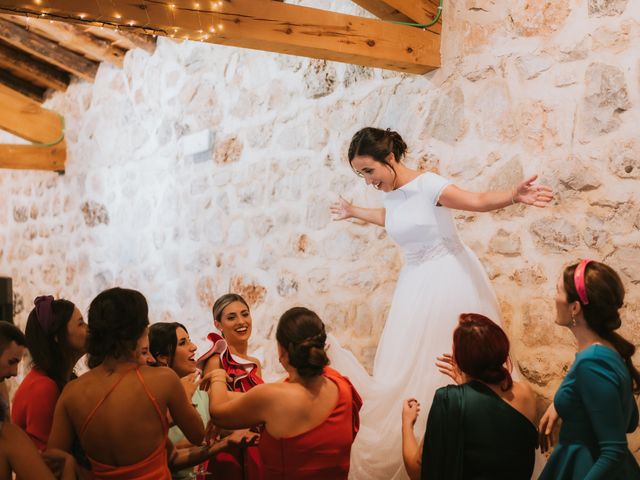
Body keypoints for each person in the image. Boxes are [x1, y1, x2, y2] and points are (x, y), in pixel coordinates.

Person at [327, 127, 552, 479]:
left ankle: (470, 450)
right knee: (406, 365)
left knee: (449, 356)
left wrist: (513, 195)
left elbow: (475, 201)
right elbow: (393, 218)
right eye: (360, 174)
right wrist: (354, 210)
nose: (367, 180)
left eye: (369, 171)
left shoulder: (429, 185)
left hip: (449, 279)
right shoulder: (391, 194)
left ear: (389, 159)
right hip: (414, 286)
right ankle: (426, 443)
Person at [48, 287, 205, 479]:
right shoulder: (163, 379)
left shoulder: (72, 391)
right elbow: (198, 435)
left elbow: (53, 458)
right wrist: (186, 395)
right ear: (139, 331)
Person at [209, 307, 362, 480]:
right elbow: (263, 396)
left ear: (282, 349)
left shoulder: (272, 397)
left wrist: (217, 376)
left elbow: (218, 413)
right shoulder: (342, 384)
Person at [401, 313, 537, 479]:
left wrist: (407, 423)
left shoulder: (448, 400)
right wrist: (467, 387)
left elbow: (417, 472)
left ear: (460, 358)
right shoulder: (527, 393)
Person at [538, 260, 640, 480]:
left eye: (558, 291)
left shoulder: (592, 363)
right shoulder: (608, 351)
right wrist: (563, 403)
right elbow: (629, 420)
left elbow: (614, 451)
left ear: (575, 307)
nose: (554, 297)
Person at [147, 322, 257, 479]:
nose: (194, 347)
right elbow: (173, 452)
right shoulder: (154, 399)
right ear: (163, 358)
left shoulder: (198, 389)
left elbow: (250, 402)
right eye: (183, 343)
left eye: (189, 340)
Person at [197, 293, 264, 479]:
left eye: (245, 314)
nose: (241, 322)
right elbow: (213, 412)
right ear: (218, 324)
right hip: (230, 450)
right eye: (231, 317)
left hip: (256, 447)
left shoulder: (255, 363)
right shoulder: (215, 360)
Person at [0, 320, 76, 480]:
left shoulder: (3, 390)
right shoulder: (8, 435)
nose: (14, 373)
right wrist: (69, 465)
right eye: (11, 362)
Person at [12, 296, 87, 450]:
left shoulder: (64, 380)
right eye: (81, 323)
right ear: (58, 337)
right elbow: (48, 460)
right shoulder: (43, 388)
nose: (88, 329)